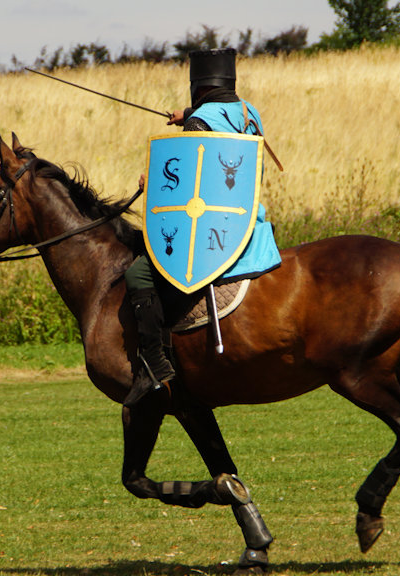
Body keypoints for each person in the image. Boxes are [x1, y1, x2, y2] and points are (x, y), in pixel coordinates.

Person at [123, 47, 281, 407]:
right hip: (246, 224)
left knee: (139, 276)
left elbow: (190, 182)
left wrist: (155, 185)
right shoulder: (248, 111)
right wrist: (187, 115)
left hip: (209, 232)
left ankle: (155, 361)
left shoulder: (201, 121)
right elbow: (219, 124)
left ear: (197, 86)